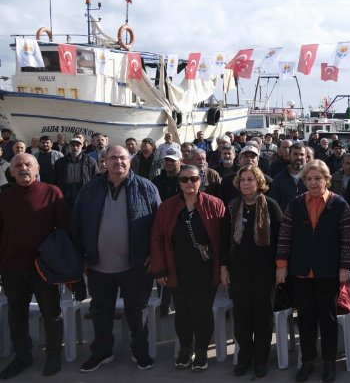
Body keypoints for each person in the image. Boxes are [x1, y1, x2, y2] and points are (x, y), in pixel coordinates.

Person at [71, 145, 162, 372]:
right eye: (113, 158)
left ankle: (139, 351)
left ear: (130, 161)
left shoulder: (146, 188)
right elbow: (77, 225)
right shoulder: (90, 189)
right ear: (104, 161)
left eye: (122, 158)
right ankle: (102, 352)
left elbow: (159, 227)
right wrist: (81, 255)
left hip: (136, 264)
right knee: (100, 311)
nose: (118, 162)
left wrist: (154, 255)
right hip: (98, 265)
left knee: (137, 311)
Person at [276, 160, 350, 383]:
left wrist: (344, 268)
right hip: (300, 272)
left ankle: (329, 362)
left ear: (327, 180)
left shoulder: (339, 204)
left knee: (328, 319)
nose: (313, 182)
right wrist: (281, 266)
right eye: (308, 179)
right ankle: (308, 361)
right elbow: (284, 237)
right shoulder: (295, 204)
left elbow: (348, 240)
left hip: (328, 273)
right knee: (306, 319)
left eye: (317, 178)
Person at [0, 154, 70, 378]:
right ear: (11, 171)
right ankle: (23, 355)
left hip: (44, 268)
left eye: (27, 164)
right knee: (16, 315)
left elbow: (65, 231)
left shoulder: (52, 192)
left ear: (37, 167)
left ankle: (53, 355)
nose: (23, 168)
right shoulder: (4, 197)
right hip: (12, 268)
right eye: (18, 165)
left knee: (51, 313)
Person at [150, 164, 226, 372]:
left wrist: (223, 267)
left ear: (201, 179)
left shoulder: (215, 204)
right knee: (182, 311)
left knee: (201, 310)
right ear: (179, 183)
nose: (189, 183)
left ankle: (201, 350)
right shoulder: (167, 207)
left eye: (193, 179)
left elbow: (223, 240)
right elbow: (156, 238)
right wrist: (160, 269)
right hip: (177, 268)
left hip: (205, 269)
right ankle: (185, 348)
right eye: (184, 180)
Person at [222, 165, 282, 377]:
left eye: (250, 179)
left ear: (259, 183)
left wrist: (281, 267)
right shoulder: (232, 207)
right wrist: (223, 268)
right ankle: (244, 356)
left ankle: (261, 359)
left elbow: (281, 240)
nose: (246, 183)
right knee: (242, 317)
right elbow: (224, 240)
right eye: (243, 179)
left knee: (263, 318)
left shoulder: (271, 206)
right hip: (238, 272)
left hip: (265, 273)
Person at [53, 133, 98, 210]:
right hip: (65, 194)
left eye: (78, 145)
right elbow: (54, 179)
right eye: (72, 145)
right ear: (69, 147)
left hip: (83, 193)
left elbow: (96, 179)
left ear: (82, 146)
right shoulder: (60, 162)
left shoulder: (90, 161)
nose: (75, 147)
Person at [268, 142, 307, 211]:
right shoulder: (279, 179)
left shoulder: (312, 178)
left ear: (306, 157)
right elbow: (273, 204)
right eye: (295, 154)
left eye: (302, 154)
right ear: (289, 156)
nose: (299, 157)